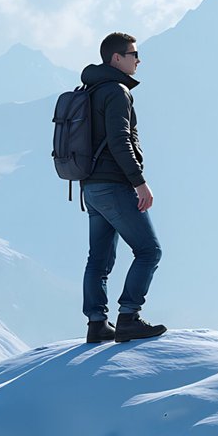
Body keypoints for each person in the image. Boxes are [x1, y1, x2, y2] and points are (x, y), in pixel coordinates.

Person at [79, 31, 167, 342]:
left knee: (99, 259)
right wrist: (140, 182)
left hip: (90, 186)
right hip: (115, 185)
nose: (138, 60)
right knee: (149, 251)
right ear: (117, 58)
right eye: (133, 54)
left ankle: (96, 323)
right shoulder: (116, 91)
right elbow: (120, 141)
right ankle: (129, 316)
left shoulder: (90, 89)